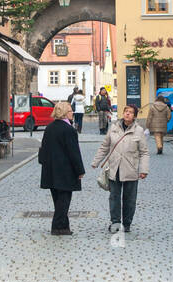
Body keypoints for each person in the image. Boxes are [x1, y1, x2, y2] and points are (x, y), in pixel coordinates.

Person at [92, 103, 149, 235]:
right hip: (114, 168)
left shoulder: (138, 131)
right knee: (114, 197)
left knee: (129, 199)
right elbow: (105, 146)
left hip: (131, 169)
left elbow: (144, 152)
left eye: (130, 112)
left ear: (134, 115)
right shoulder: (113, 128)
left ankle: (127, 223)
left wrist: (143, 170)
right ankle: (115, 222)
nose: (127, 114)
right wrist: (96, 161)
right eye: (125, 111)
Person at [37, 101, 85, 235]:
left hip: (51, 170)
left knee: (58, 200)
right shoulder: (69, 130)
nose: (72, 113)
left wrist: (45, 164)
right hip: (65, 172)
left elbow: (43, 149)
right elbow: (74, 152)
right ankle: (57, 227)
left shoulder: (50, 127)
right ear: (64, 113)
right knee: (63, 201)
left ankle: (64, 226)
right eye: (70, 111)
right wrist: (80, 171)